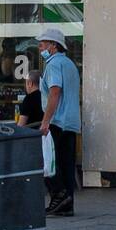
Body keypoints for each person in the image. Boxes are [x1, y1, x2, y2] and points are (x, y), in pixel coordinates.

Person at [37, 27, 81, 217]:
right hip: (71, 120)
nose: (40, 48)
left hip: (57, 120)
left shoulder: (53, 64)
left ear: (53, 46)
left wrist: (45, 121)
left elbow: (55, 92)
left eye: (43, 44)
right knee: (66, 163)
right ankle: (67, 204)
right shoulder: (70, 64)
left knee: (49, 161)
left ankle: (59, 196)